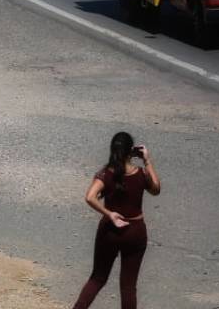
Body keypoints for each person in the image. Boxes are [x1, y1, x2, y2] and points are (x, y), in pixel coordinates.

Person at [71, 131, 161, 309]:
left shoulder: (107, 174)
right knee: (128, 287)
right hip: (135, 230)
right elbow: (156, 189)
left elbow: (90, 197)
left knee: (97, 278)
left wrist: (109, 213)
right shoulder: (141, 174)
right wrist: (147, 161)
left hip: (110, 230)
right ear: (131, 152)